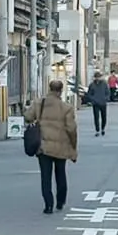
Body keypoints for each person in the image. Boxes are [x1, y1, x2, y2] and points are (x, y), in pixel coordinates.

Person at [24, 79, 78, 214]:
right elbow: (71, 129)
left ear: (49, 88)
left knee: (45, 176)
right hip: (61, 146)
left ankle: (48, 205)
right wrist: (73, 147)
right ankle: (60, 201)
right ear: (60, 91)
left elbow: (27, 117)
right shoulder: (67, 108)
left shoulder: (39, 103)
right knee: (61, 173)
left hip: (43, 146)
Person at [86, 71, 111, 137]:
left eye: (99, 77)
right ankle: (97, 130)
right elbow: (89, 94)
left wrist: (106, 99)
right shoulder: (92, 85)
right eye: (96, 77)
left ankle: (102, 129)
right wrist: (92, 99)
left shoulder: (104, 84)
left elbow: (107, 92)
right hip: (95, 103)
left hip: (103, 103)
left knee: (104, 117)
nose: (97, 78)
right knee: (96, 117)